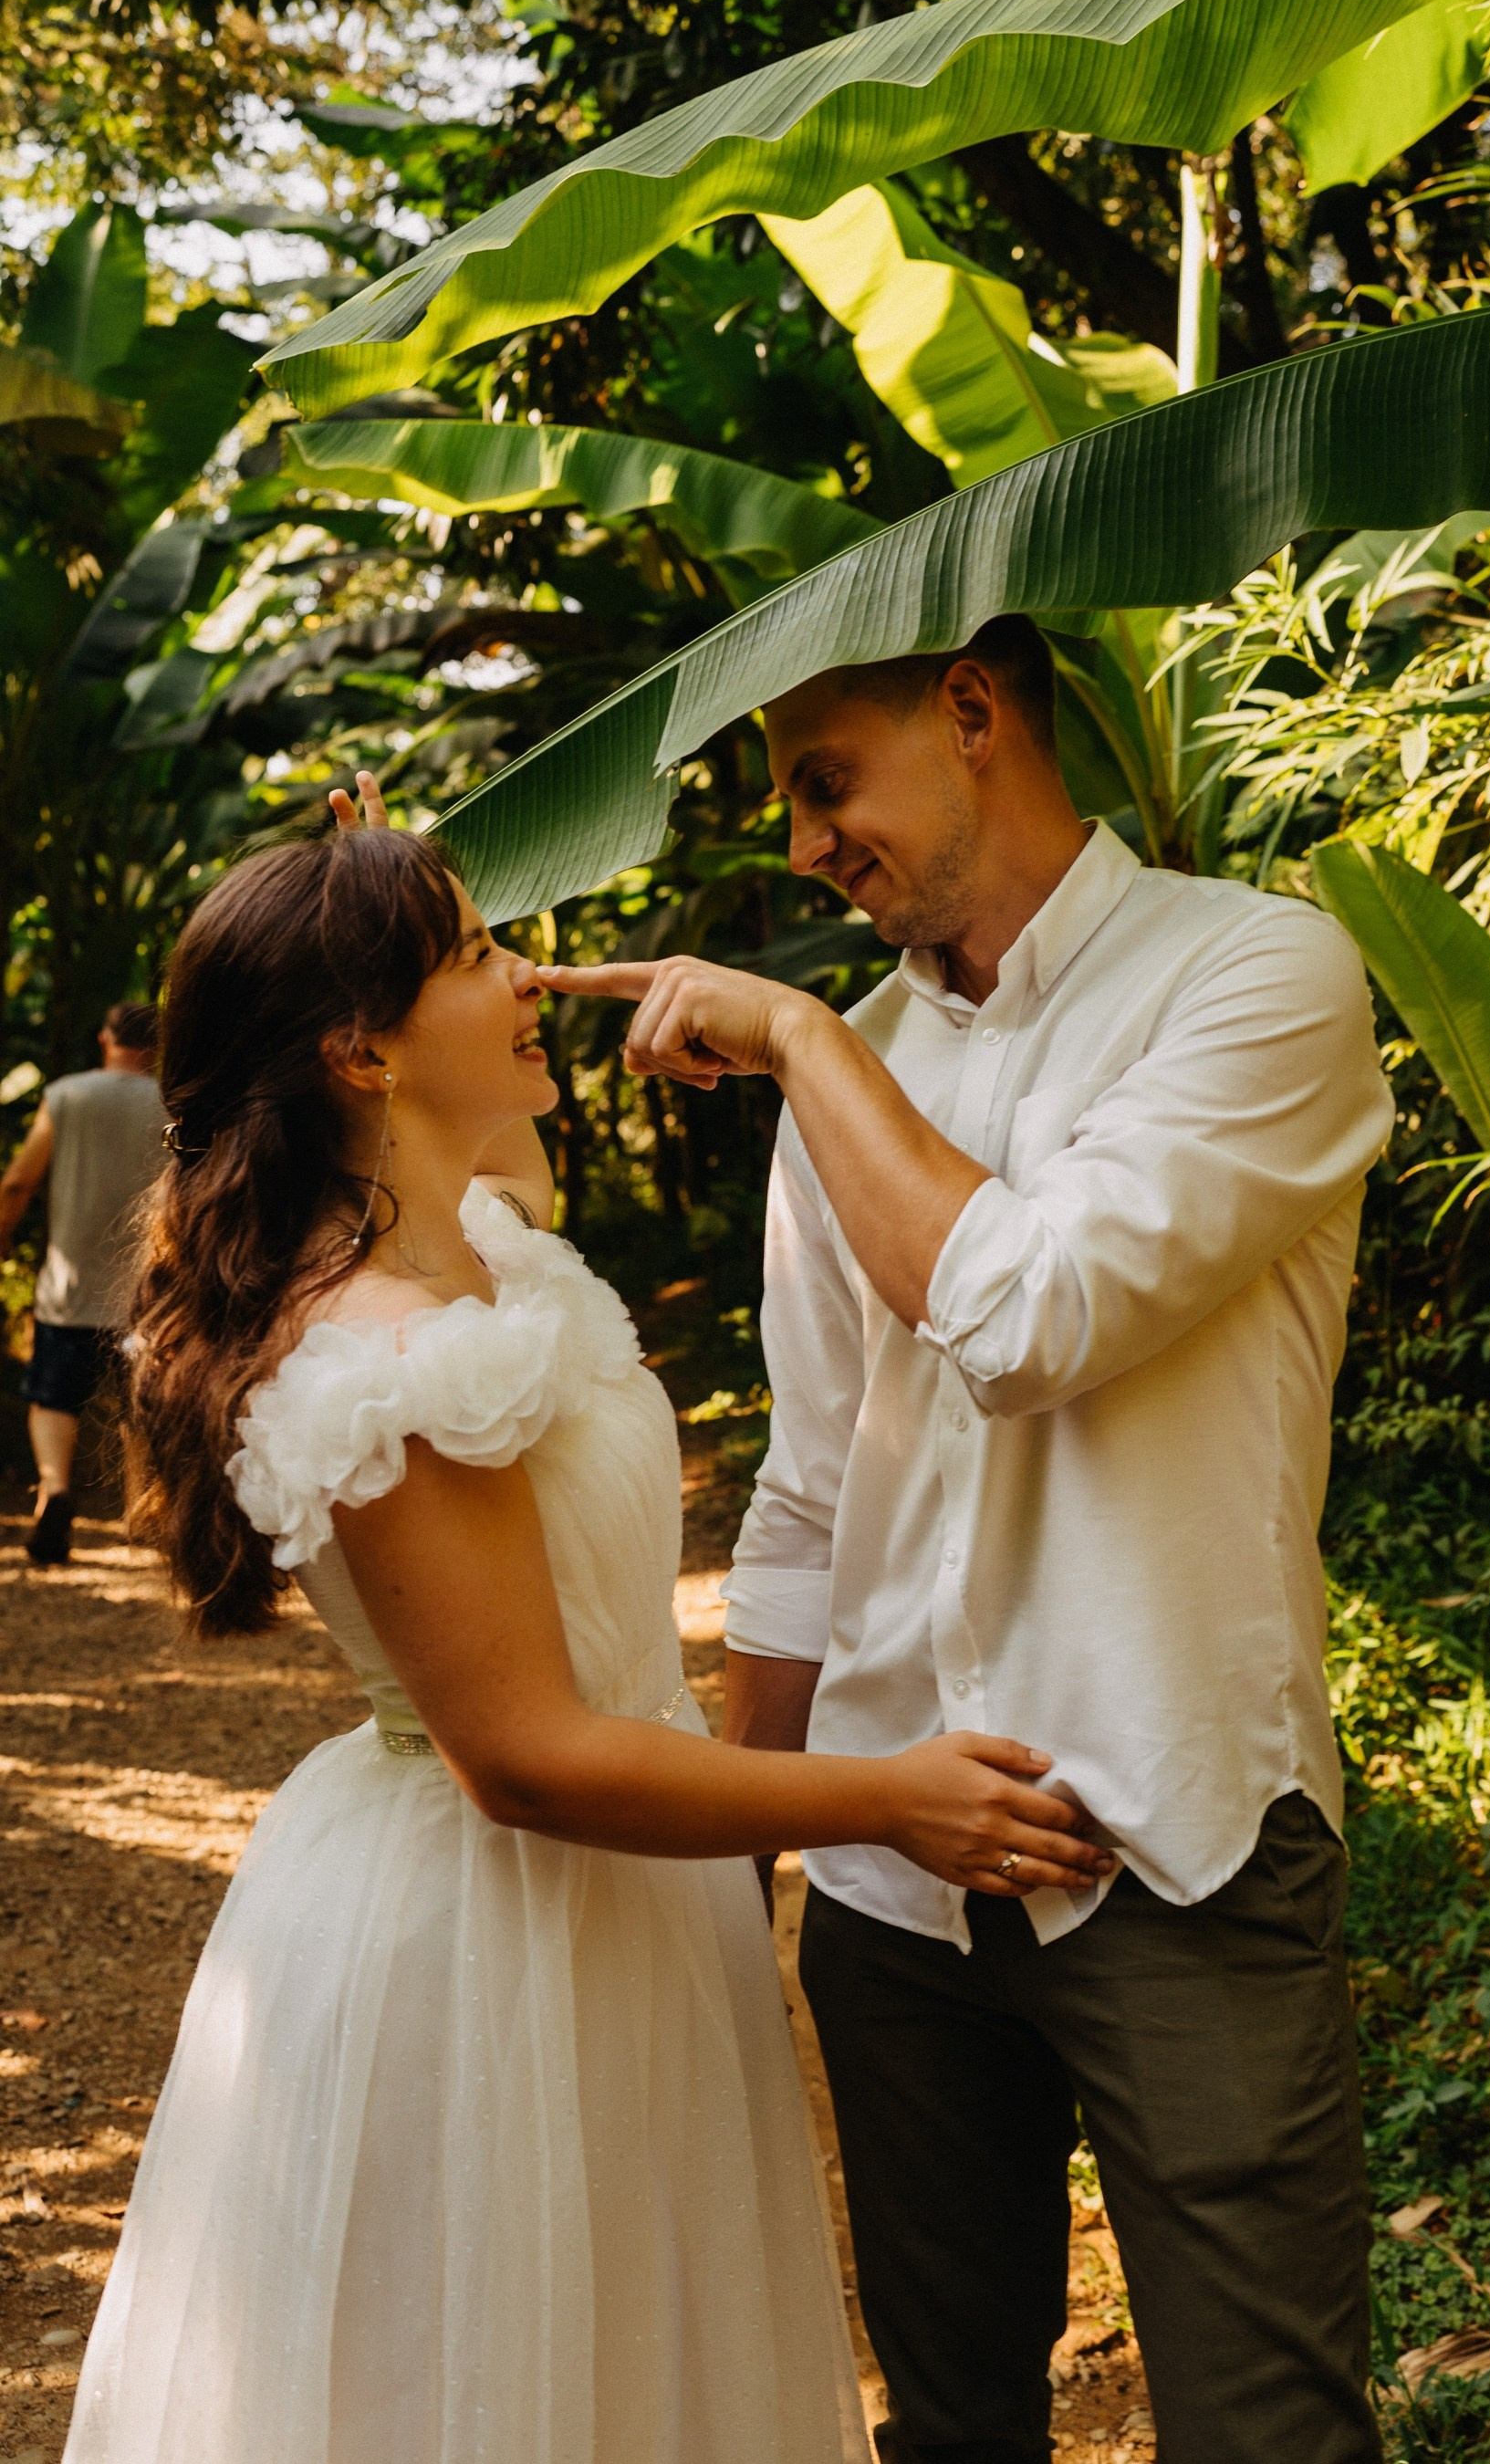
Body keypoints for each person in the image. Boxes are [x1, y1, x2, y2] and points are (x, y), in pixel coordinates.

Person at [64, 799, 1110, 2464]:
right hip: (504, 1929)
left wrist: (422, 913)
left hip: (617, 1907)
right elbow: (529, 1762)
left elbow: (496, 1145)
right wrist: (887, 1797)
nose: (533, 977)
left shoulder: (462, 1239)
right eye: (484, 955)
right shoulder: (397, 1360)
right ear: (361, 1052)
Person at [541, 615, 1398, 2464]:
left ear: (972, 711)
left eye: (822, 785)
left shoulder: (1256, 972)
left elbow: (1027, 1319)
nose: (802, 849)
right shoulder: (850, 1059)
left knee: (1268, 2431)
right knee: (947, 2428)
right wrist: (745, 1847)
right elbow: (811, 1486)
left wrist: (790, 1037)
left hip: (1174, 1835)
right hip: (889, 1880)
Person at [0, 1000, 167, 1567]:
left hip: (69, 1288)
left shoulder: (66, 1096)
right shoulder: (172, 1103)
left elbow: (18, 1181)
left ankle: (54, 1489)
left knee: (54, 1397)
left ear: (105, 1039)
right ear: (156, 1047)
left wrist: (3, 1234)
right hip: (146, 1289)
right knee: (141, 1402)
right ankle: (143, 1512)